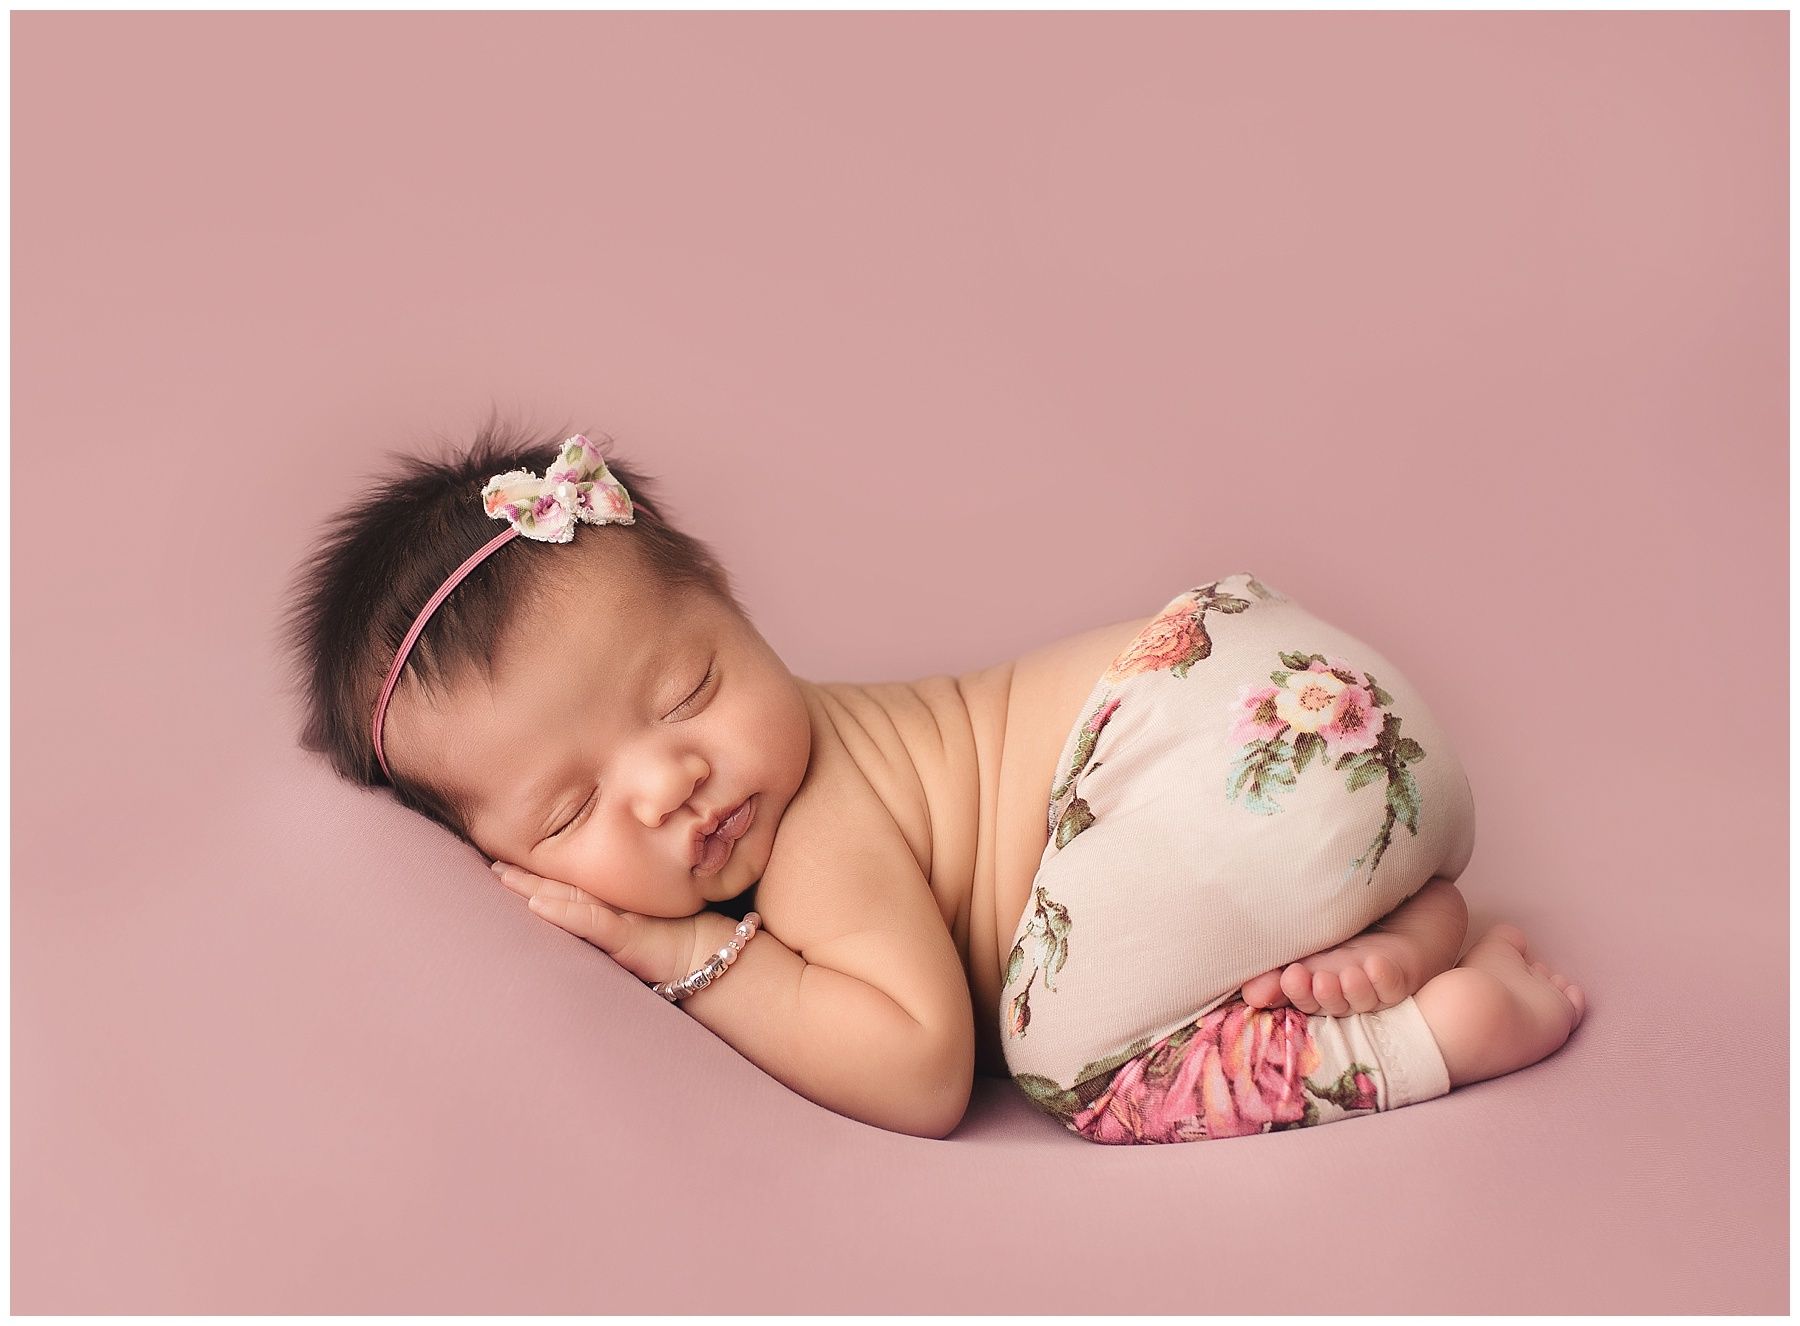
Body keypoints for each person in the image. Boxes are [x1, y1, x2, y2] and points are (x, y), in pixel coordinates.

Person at [278, 415, 1585, 1143]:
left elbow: (919, 1067)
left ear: (730, 600)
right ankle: (1402, 912)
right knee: (1163, 918)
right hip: (1301, 699)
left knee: (1064, 1045)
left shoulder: (811, 825)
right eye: (572, 810)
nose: (675, 776)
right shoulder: (786, 763)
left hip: (1207, 737)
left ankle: (1434, 1033)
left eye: (688, 691)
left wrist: (676, 949)